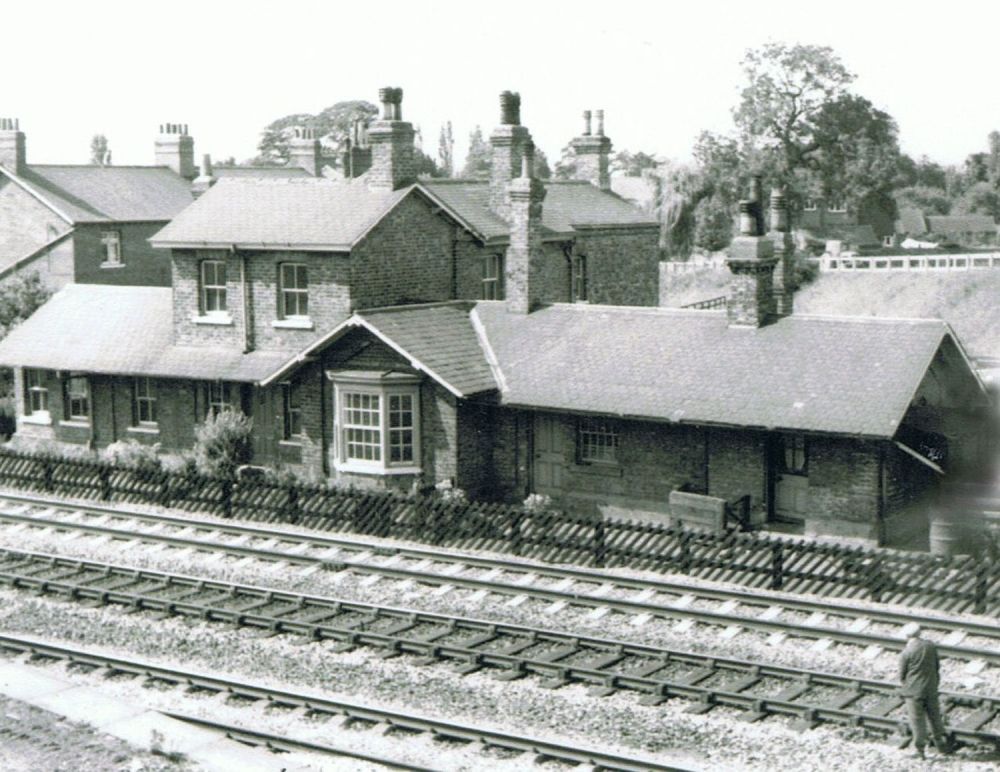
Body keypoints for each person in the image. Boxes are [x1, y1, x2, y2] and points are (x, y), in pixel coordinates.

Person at [898, 624, 953, 758]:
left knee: (917, 720)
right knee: (935, 717)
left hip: (914, 691)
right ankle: (941, 745)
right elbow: (937, 666)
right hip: (931, 687)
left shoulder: (906, 652)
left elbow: (902, 675)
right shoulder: (931, 646)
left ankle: (919, 750)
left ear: (907, 636)